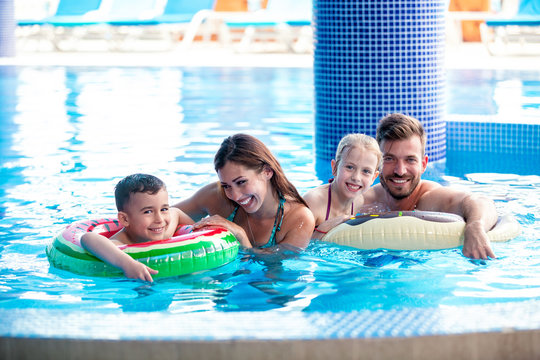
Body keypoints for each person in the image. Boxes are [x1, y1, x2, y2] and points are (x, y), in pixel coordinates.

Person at [362, 113, 498, 260]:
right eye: (389, 159)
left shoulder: (430, 199)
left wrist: (475, 226)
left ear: (424, 164)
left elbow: (481, 201)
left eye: (410, 160)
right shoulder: (365, 200)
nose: (400, 171)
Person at [174, 133, 315, 251]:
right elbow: (166, 214)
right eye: (226, 185)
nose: (235, 196)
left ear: (267, 172)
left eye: (241, 182)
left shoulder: (298, 219)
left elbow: (278, 274)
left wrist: (240, 235)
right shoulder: (217, 197)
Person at [81, 173, 194, 282]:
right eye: (148, 212)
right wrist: (127, 264)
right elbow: (88, 238)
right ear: (125, 219)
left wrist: (197, 229)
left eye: (163, 209)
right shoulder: (120, 245)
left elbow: (176, 212)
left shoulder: (164, 231)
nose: (159, 219)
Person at [303, 133, 381, 239]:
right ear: (334, 168)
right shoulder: (313, 201)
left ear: (373, 177)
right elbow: (293, 248)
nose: (356, 177)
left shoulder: (359, 202)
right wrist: (323, 230)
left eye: (366, 171)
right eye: (349, 167)